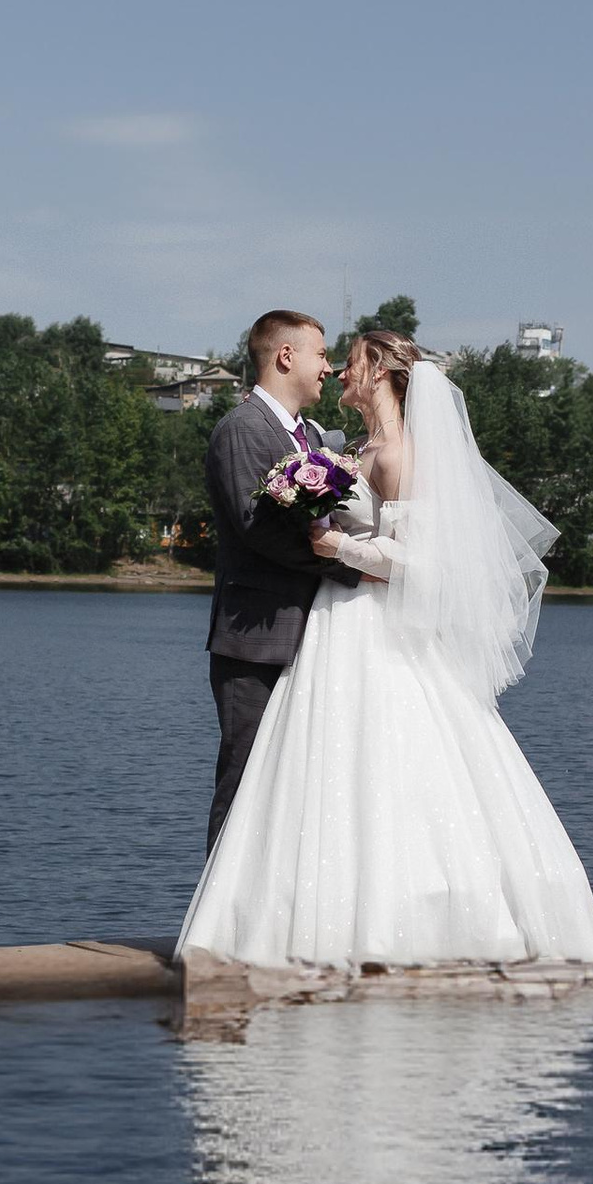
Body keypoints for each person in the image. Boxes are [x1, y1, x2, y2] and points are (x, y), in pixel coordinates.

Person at [179, 327, 593, 973]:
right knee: (323, 776)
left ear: (379, 370)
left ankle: (393, 920)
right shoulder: (347, 448)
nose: (338, 371)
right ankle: (300, 917)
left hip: (370, 622)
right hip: (334, 624)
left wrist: (339, 548)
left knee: (390, 774)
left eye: (350, 361)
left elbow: (421, 562)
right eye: (330, 358)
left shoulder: (402, 454)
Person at [201, 308, 353, 850]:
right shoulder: (243, 428)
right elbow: (257, 529)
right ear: (286, 356)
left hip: (312, 634)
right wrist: (349, 565)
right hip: (255, 637)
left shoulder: (309, 436)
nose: (329, 368)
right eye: (322, 355)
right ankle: (217, 902)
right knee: (246, 778)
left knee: (294, 785)